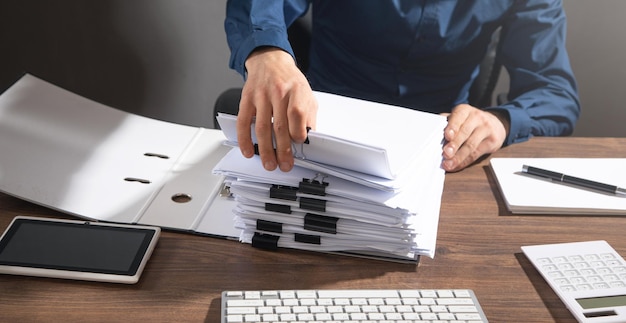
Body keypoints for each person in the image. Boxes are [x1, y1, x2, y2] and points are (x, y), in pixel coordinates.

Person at [223, 0, 580, 173]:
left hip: (439, 152)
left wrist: (500, 122)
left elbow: (555, 94)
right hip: (321, 133)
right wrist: (268, 52)